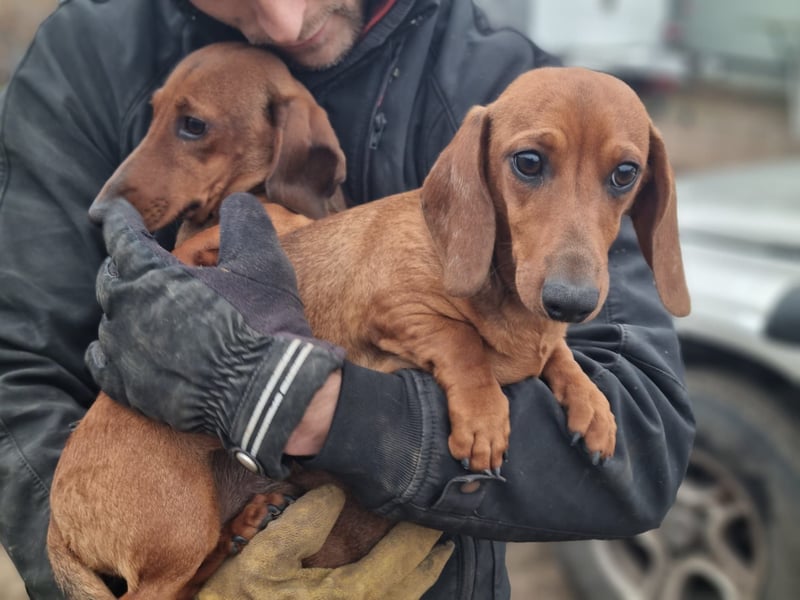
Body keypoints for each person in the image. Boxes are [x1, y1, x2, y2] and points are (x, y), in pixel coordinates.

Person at [0, 0, 695, 598]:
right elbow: (18, 373)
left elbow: (641, 447)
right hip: (156, 526)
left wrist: (319, 411)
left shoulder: (530, 95)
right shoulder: (89, 58)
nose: (284, 22)